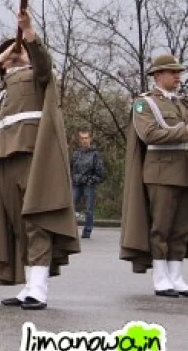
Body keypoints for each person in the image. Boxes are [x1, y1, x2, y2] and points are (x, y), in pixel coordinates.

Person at [0, 11, 79, 311]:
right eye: (11, 55)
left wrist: (29, 35)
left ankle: (39, 288)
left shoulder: (36, 78)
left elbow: (44, 65)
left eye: (20, 54)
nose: (16, 57)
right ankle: (29, 285)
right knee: (17, 223)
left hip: (32, 156)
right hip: (3, 160)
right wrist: (1, 57)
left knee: (36, 220)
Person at [120, 54, 188, 298]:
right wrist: (183, 132)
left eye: (178, 72)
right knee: (161, 227)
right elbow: (149, 134)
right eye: (172, 72)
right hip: (160, 172)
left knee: (181, 229)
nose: (177, 76)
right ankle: (160, 276)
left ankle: (176, 276)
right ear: (157, 76)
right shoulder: (145, 104)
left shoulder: (181, 104)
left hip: (183, 171)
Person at [71, 131, 107, 239]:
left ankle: (87, 231)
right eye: (82, 138)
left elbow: (101, 173)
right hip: (77, 183)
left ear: (90, 139)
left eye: (86, 138)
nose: (84, 140)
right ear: (79, 140)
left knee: (89, 208)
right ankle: (70, 230)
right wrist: (74, 177)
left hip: (88, 183)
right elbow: (71, 168)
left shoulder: (95, 154)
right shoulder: (76, 153)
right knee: (70, 205)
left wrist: (90, 179)